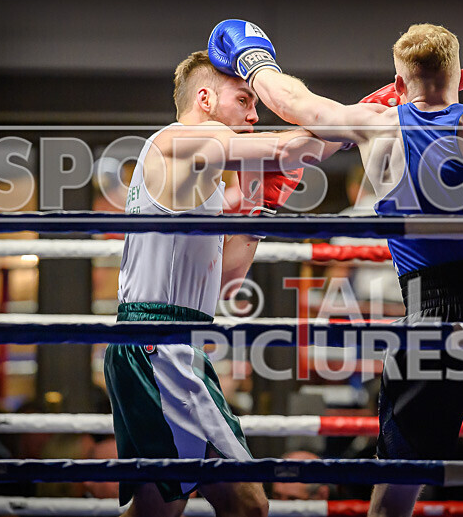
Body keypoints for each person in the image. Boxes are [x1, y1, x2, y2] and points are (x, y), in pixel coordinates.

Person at [208, 20, 463, 517]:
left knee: (394, 492)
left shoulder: (375, 127)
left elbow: (297, 107)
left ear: (396, 85)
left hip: (428, 313)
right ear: (462, 79)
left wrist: (253, 60)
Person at [104, 49, 343, 517]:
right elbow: (286, 149)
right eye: (245, 99)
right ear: (206, 98)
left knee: (157, 510)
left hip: (166, 342)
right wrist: (360, 122)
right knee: (247, 502)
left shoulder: (201, 177)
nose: (254, 114)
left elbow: (226, 279)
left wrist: (261, 208)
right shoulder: (184, 139)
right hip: (159, 348)